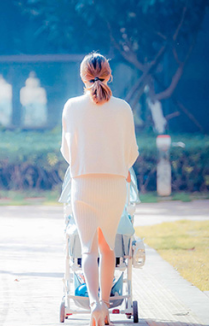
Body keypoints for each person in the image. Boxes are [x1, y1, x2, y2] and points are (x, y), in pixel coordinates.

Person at [61, 52, 139, 326]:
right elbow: (131, 152)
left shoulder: (71, 107)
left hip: (83, 185)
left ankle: (93, 304)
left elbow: (67, 152)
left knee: (88, 249)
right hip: (115, 185)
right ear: (110, 76)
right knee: (108, 249)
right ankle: (105, 304)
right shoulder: (123, 108)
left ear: (82, 78)